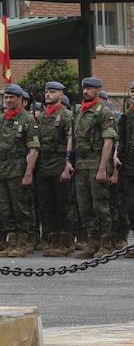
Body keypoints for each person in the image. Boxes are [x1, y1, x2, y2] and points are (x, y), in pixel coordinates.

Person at [68, 76, 119, 258]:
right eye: (84, 88)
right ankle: (93, 242)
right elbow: (73, 138)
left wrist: (102, 168)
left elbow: (108, 142)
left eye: (90, 88)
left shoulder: (104, 112)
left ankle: (106, 244)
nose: (86, 91)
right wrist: (69, 161)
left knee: (101, 206)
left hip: (97, 163)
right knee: (85, 207)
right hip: (82, 165)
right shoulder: (80, 111)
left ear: (98, 90)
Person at [0, 84, 40, 258]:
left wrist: (28, 173)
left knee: (22, 209)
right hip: (0, 171)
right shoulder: (0, 120)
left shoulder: (27, 119)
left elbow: (33, 149)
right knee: (4, 209)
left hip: (18, 172)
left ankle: (25, 242)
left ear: (21, 100)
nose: (8, 100)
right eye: (6, 97)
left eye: (12, 97)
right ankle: (12, 242)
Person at [35, 81, 74, 256]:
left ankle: (65, 243)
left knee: (63, 204)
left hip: (59, 164)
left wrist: (68, 164)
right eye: (47, 92)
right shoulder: (42, 117)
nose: (48, 95)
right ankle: (51, 241)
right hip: (44, 166)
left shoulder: (66, 115)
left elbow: (71, 142)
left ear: (60, 94)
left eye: (52, 92)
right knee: (46, 205)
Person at [115, 81, 134, 257]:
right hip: (128, 166)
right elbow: (121, 140)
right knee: (129, 205)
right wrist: (116, 156)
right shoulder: (126, 116)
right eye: (133, 92)